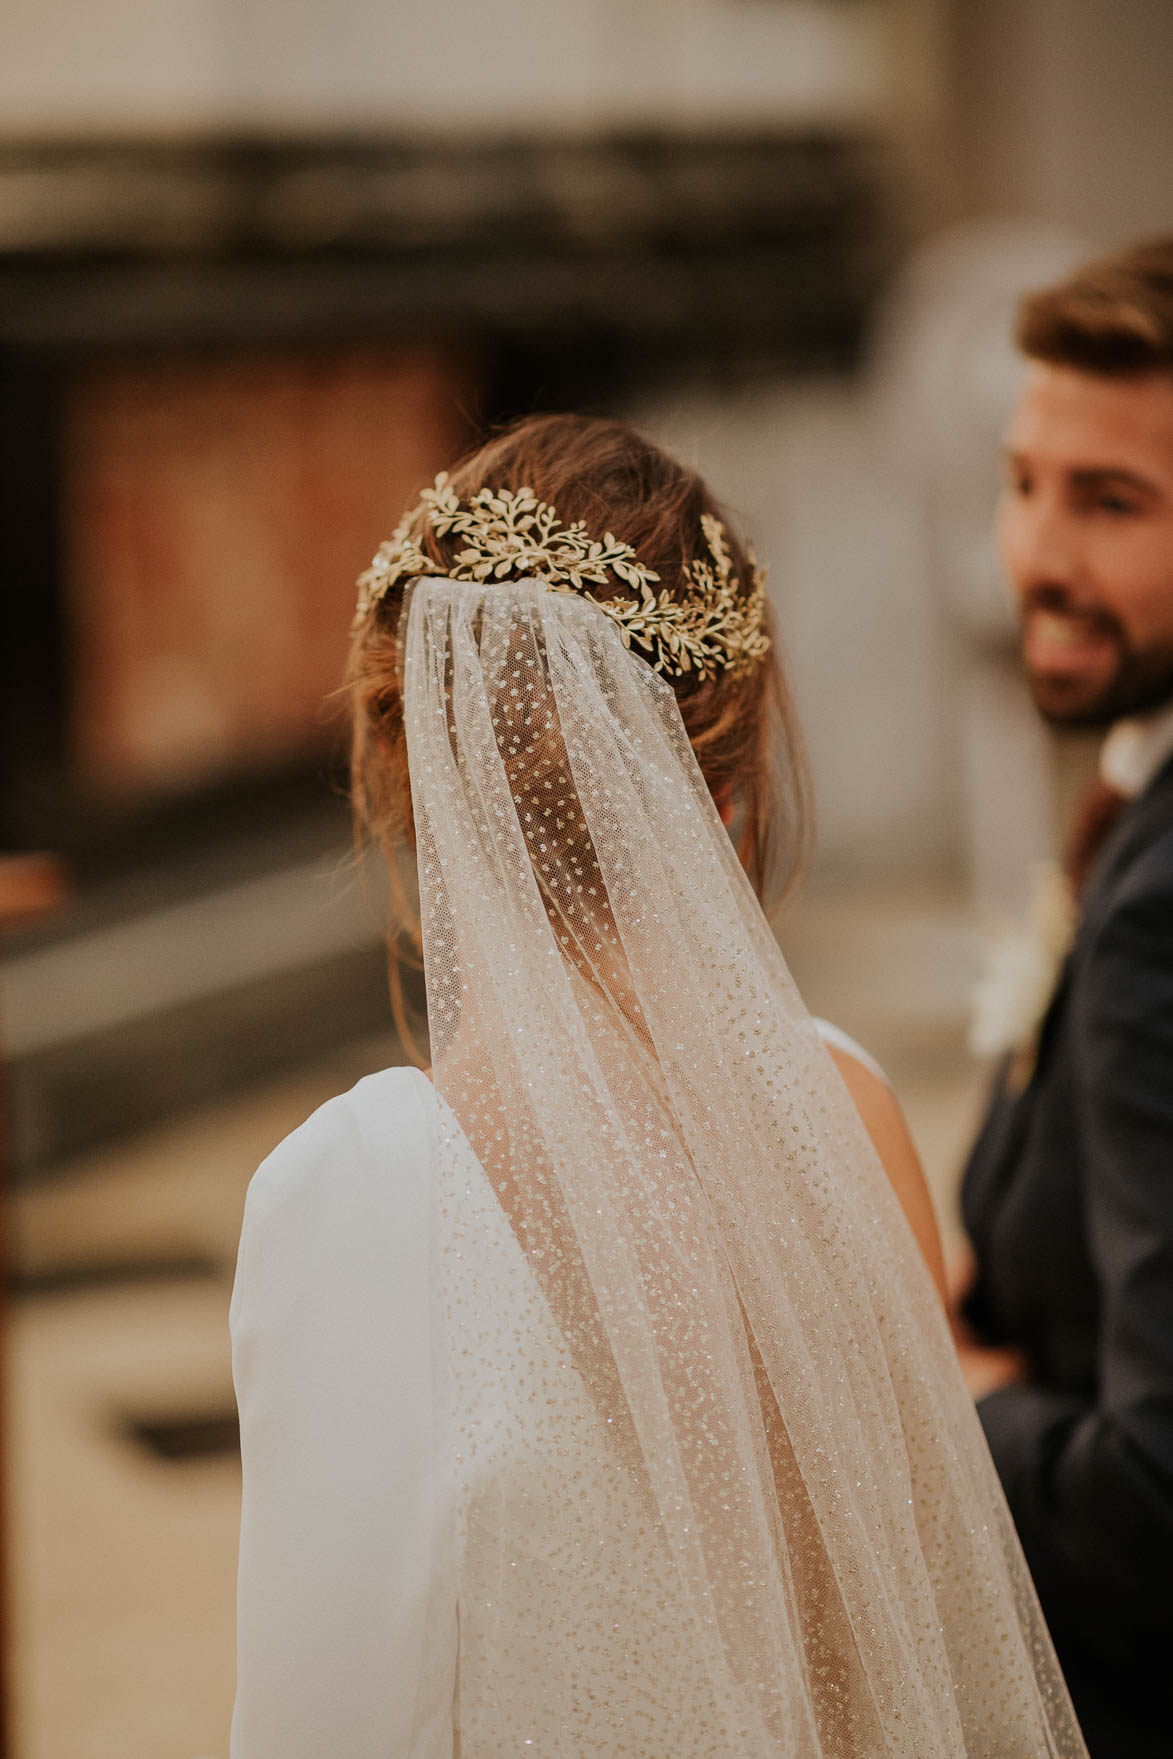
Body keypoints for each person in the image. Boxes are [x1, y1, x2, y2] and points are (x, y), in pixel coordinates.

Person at [230, 414, 1085, 1756]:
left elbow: (322, 1712)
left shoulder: (355, 1188)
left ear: (411, 772)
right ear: (723, 785)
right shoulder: (847, 1110)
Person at [955, 238, 1173, 1759]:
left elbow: (1155, 1508)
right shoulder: (1131, 799)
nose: (1034, 554)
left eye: (1109, 504)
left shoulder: (1160, 905)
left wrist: (944, 1396)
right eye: (1023, 481)